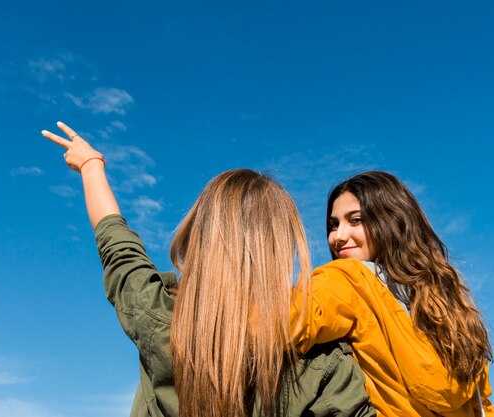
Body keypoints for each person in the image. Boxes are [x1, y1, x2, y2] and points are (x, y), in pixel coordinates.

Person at [41, 121, 375, 417]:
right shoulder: (323, 358)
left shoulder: (156, 315)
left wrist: (91, 166)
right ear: (282, 248)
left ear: (202, 235)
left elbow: (117, 245)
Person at [293, 171, 494, 417]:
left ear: (391, 221)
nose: (338, 236)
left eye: (355, 220)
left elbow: (285, 324)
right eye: (333, 225)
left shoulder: (347, 279)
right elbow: (484, 407)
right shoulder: (454, 315)